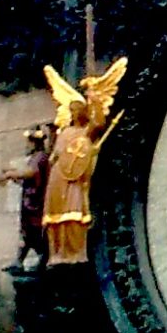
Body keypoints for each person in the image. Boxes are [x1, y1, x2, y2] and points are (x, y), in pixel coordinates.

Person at [42, 58, 127, 265]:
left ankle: (75, 252)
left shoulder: (85, 131)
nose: (73, 114)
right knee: (55, 215)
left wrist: (93, 96)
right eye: (72, 111)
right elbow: (55, 156)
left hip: (74, 177)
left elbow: (98, 121)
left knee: (74, 212)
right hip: (58, 176)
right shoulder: (65, 132)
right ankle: (56, 252)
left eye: (77, 111)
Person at [0, 125, 51, 267]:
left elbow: (30, 173)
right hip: (30, 205)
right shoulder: (34, 158)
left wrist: (11, 173)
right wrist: (12, 175)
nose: (26, 145)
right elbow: (26, 180)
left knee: (36, 233)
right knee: (26, 233)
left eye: (28, 142)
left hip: (37, 205)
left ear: (34, 142)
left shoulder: (41, 157)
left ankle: (42, 258)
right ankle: (19, 261)